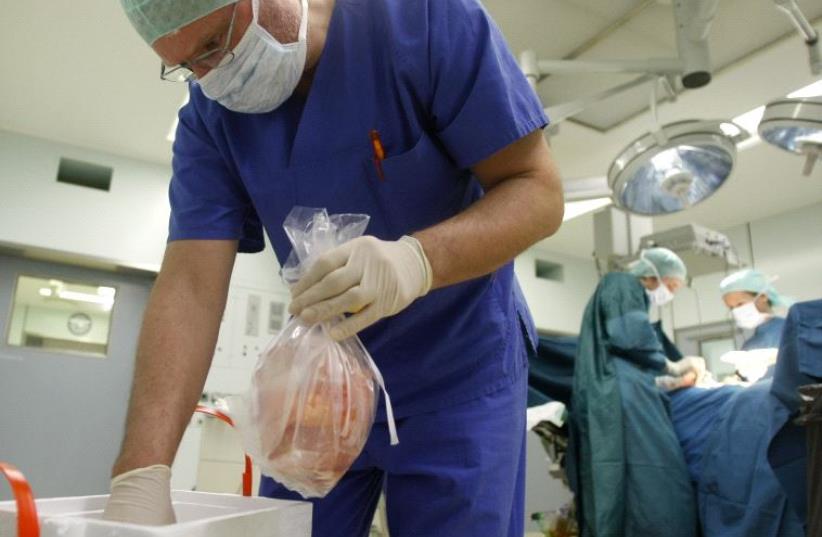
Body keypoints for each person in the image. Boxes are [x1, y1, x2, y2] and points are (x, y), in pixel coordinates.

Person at [106, 0, 564, 535]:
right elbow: (189, 285)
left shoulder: (423, 23)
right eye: (187, 66)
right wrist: (140, 473)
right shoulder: (211, 119)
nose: (211, 77)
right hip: (317, 385)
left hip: (459, 372)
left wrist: (417, 260)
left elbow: (538, 191)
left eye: (211, 45)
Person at [570, 248, 703, 537]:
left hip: (620, 395)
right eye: (673, 287)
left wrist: (666, 382)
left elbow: (626, 357)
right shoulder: (621, 283)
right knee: (656, 483)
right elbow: (630, 336)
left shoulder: (620, 295)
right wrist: (673, 366)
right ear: (655, 276)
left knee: (625, 487)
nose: (670, 294)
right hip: (620, 402)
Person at [720, 269, 790, 351]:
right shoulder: (750, 346)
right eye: (731, 307)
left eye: (740, 304)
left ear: (763, 297)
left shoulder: (791, 330)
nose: (736, 311)